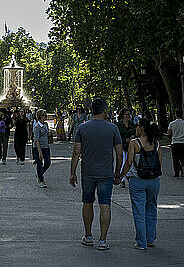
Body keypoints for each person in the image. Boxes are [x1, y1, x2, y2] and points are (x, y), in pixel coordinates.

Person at [69, 98, 123, 251]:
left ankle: (88, 236)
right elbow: (119, 153)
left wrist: (72, 173)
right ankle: (103, 240)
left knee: (87, 202)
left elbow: (76, 152)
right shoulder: (113, 128)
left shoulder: (82, 128)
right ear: (105, 110)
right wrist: (118, 172)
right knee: (105, 204)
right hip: (106, 173)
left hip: (88, 172)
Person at [118, 118, 162, 250]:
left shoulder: (134, 143)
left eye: (137, 126)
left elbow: (129, 162)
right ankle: (150, 238)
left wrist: (120, 176)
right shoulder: (156, 143)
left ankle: (141, 242)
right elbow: (159, 164)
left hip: (137, 180)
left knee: (139, 211)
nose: (136, 128)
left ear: (142, 128)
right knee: (152, 208)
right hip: (154, 181)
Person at [167, 110, 184, 177]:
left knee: (175, 158)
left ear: (175, 115)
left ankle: (176, 173)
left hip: (175, 143)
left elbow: (169, 133)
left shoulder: (171, 124)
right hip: (183, 142)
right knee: (183, 157)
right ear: (182, 115)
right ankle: (183, 168)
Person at [116, 108, 135, 188]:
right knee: (123, 161)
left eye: (129, 114)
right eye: (126, 114)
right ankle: (122, 179)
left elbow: (135, 132)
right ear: (123, 116)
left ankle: (131, 177)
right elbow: (117, 136)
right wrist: (124, 139)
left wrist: (132, 136)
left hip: (131, 145)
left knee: (131, 162)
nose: (128, 116)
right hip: (122, 145)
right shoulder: (119, 125)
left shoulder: (131, 124)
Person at [33, 109, 51, 187]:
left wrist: (49, 133)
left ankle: (39, 174)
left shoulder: (46, 124)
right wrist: (40, 152)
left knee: (47, 163)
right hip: (38, 147)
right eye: (44, 115)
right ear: (40, 117)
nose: (46, 117)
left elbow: (47, 132)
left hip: (46, 146)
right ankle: (41, 180)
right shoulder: (37, 127)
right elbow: (36, 140)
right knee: (39, 164)